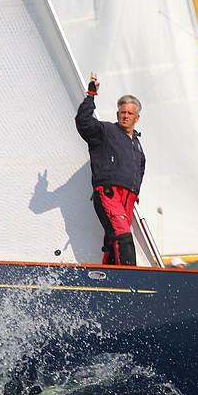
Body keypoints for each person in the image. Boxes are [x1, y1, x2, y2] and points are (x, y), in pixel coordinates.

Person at [75, 73, 145, 266]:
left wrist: (134, 191)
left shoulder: (137, 146)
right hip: (109, 193)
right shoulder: (106, 131)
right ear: (117, 115)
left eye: (130, 113)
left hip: (128, 197)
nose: (125, 116)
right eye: (122, 112)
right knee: (123, 235)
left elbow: (140, 169)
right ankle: (129, 278)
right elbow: (83, 122)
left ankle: (109, 277)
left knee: (114, 239)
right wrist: (91, 94)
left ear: (136, 118)